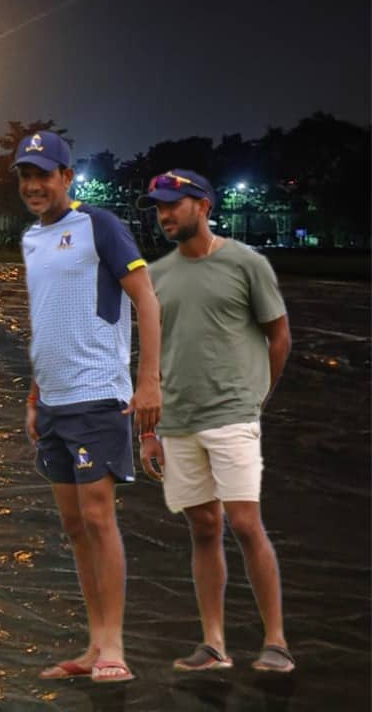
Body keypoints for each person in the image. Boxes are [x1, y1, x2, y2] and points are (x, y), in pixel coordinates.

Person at [15, 131, 162, 684]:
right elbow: (49, 319)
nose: (34, 185)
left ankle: (115, 647)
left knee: (99, 519)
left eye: (43, 175)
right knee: (75, 525)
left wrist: (148, 382)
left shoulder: (99, 225)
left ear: (66, 177)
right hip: (54, 402)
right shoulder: (33, 240)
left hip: (98, 396)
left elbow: (147, 299)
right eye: (26, 176)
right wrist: (35, 394)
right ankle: (95, 643)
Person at [136, 169, 295, 674]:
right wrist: (148, 431)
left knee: (245, 523)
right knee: (204, 528)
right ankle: (213, 644)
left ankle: (276, 642)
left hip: (231, 416)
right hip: (178, 421)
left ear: (203, 206)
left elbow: (279, 337)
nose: (164, 215)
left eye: (173, 204)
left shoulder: (246, 264)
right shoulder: (157, 276)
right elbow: (152, 358)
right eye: (159, 207)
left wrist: (256, 398)